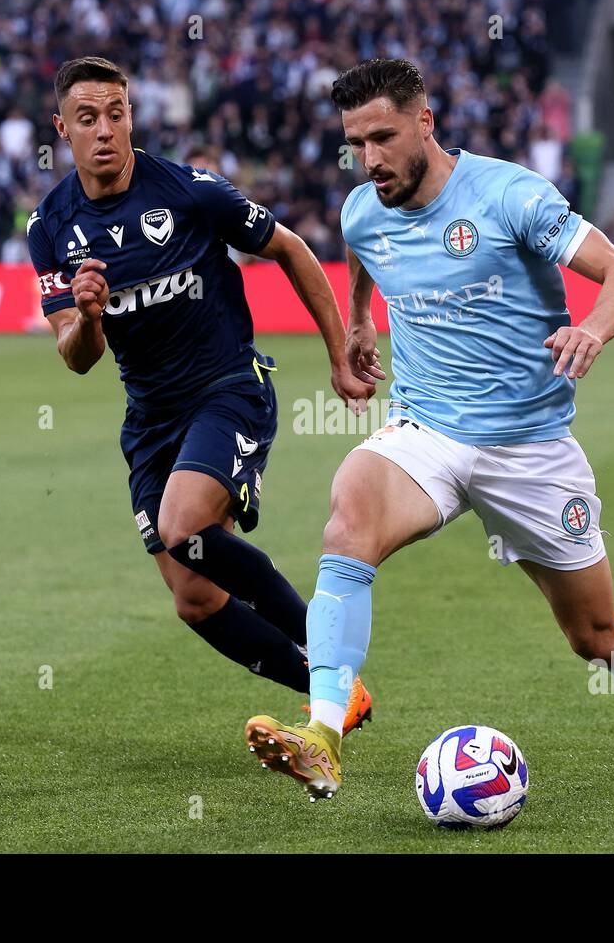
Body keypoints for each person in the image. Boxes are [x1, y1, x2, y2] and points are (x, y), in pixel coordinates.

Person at [244, 59, 614, 800]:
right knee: (349, 517)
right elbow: (362, 253)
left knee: (595, 638)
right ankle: (324, 733)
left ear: (425, 123)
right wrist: (362, 319)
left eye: (383, 137)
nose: (369, 159)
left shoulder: (509, 195)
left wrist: (591, 330)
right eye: (355, 143)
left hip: (530, 448)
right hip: (427, 429)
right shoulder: (363, 208)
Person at [28, 57, 379, 729]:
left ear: (132, 116)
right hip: (150, 420)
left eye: (117, 114)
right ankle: (334, 691)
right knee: (193, 596)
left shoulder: (190, 191)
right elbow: (76, 357)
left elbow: (293, 250)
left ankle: (331, 664)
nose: (105, 130)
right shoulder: (49, 228)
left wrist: (339, 357)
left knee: (182, 526)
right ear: (62, 129)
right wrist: (90, 316)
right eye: (88, 118)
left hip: (228, 390)